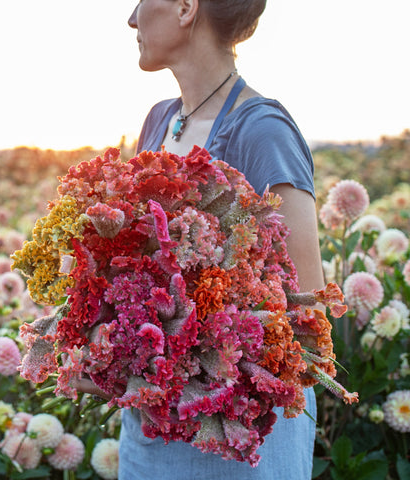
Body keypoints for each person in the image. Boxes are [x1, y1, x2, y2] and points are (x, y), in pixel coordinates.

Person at [79, 0, 325, 478]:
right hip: (150, 440)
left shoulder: (262, 131)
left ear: (186, 7)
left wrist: (166, 361)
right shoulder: (157, 121)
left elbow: (307, 318)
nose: (132, 17)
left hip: (238, 448)